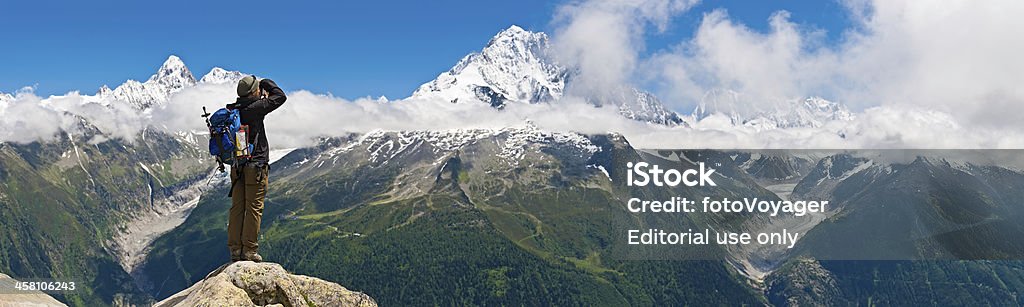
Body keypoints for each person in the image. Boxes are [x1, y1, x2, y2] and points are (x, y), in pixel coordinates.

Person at [226, 75, 286, 262]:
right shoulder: (256, 108)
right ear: (254, 91)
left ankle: (236, 251)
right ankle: (249, 251)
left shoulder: (233, 109)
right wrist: (266, 82)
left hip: (238, 167)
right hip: (256, 167)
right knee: (253, 208)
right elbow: (280, 96)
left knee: (237, 208)